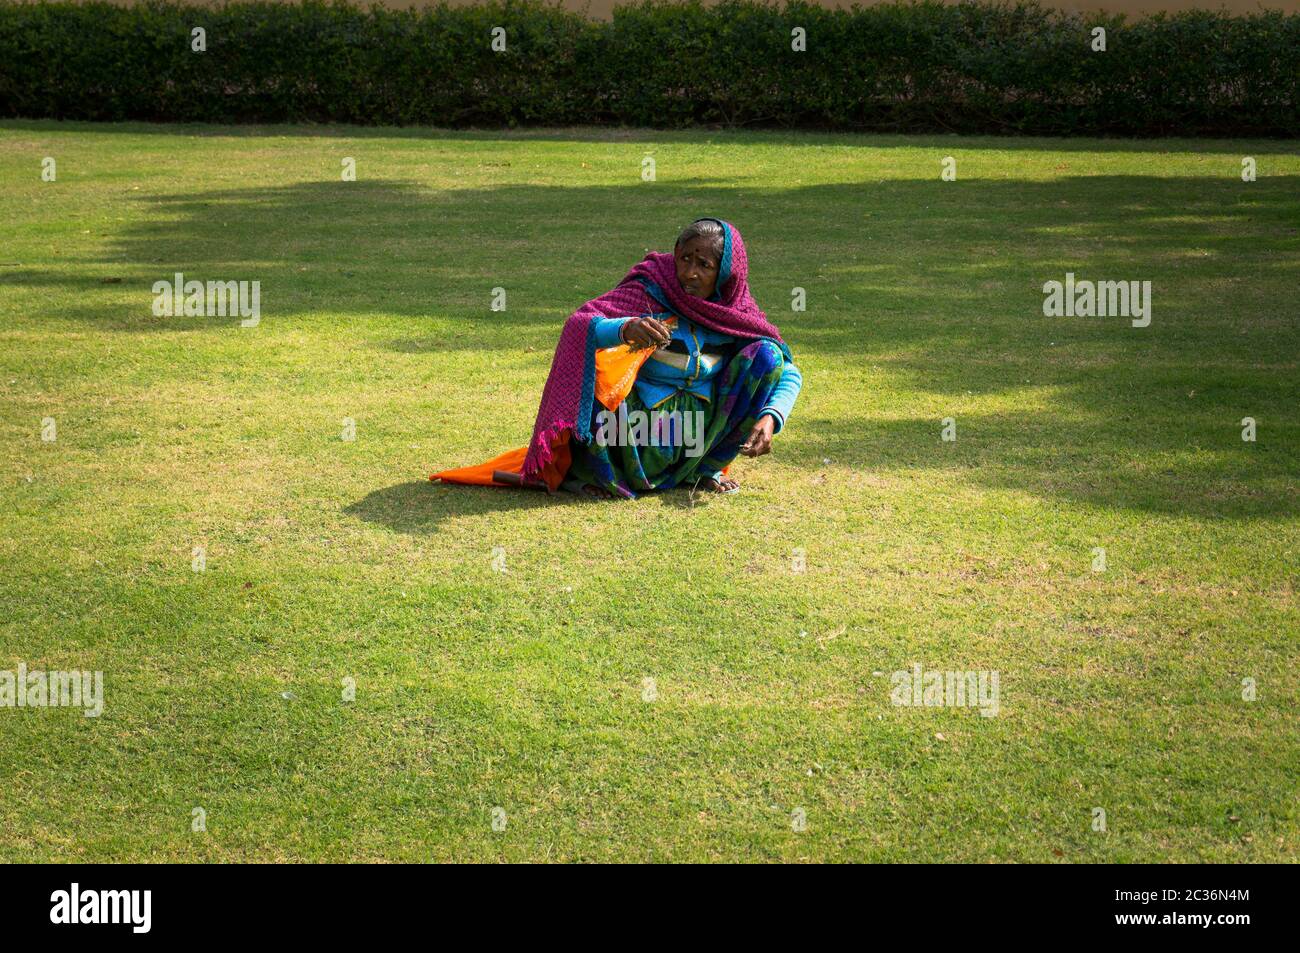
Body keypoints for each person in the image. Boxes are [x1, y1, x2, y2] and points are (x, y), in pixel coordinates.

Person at [431, 217, 801, 500]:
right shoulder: (652, 288)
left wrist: (772, 418)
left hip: (696, 432)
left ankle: (706, 470)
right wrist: (625, 330)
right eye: (684, 258)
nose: (689, 272)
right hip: (636, 431)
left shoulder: (735, 313)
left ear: (725, 272)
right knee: (592, 367)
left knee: (766, 356)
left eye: (704, 265)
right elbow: (581, 323)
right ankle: (599, 474)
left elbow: (788, 372)